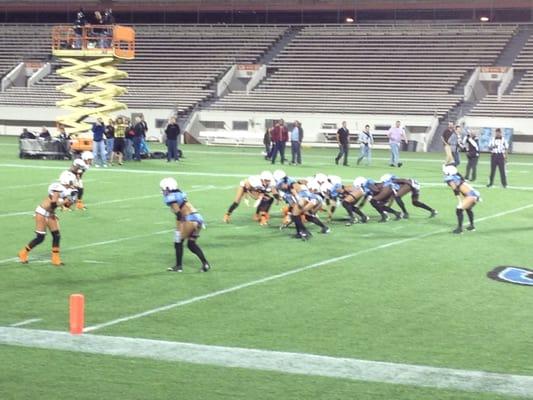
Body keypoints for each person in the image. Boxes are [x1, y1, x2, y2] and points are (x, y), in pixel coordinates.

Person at [18, 171, 78, 266]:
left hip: (50, 213)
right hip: (42, 213)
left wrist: (68, 204)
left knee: (56, 235)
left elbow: (63, 203)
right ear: (67, 180)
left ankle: (55, 259)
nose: (73, 183)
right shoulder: (58, 188)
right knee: (40, 238)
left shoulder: (66, 189)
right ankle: (23, 253)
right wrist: (65, 202)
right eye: (72, 181)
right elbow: (53, 204)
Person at [160, 177, 210, 273]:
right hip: (197, 218)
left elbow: (179, 214)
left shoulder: (171, 197)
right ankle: (205, 264)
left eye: (163, 188)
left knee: (178, 241)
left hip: (190, 219)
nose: (163, 190)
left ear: (168, 188)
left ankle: (179, 266)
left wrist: (178, 229)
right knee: (191, 244)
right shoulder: (179, 193)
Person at [443, 165, 480, 234]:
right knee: (468, 208)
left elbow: (456, 190)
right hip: (474, 193)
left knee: (459, 209)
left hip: (471, 195)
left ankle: (460, 229)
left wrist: (459, 201)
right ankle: (471, 226)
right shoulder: (458, 176)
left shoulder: (450, 179)